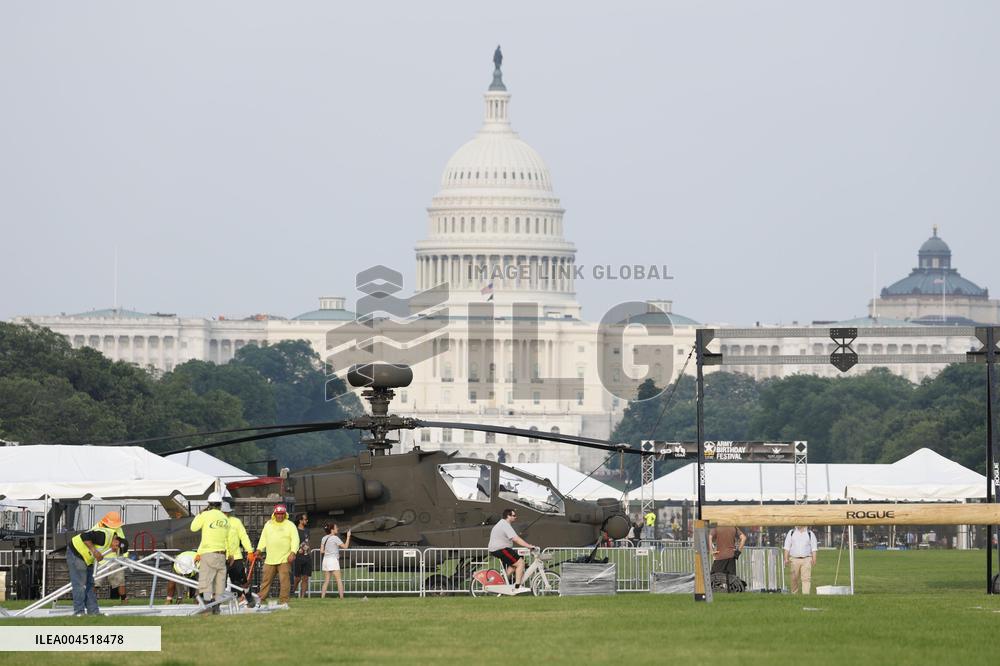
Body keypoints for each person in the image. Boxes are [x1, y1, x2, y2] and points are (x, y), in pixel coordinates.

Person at [67, 513, 126, 617]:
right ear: (116, 540)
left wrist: (98, 554)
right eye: (117, 546)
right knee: (80, 585)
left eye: (118, 550)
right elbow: (84, 536)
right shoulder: (104, 535)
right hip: (75, 553)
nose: (115, 549)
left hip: (87, 558)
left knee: (90, 584)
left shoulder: (111, 543)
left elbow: (101, 552)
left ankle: (93, 612)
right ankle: (79, 612)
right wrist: (94, 551)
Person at [190, 491, 230, 612]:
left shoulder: (205, 515)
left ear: (209, 504)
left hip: (208, 553)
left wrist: (200, 514)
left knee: (206, 582)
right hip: (222, 554)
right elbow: (227, 538)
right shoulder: (224, 518)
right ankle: (216, 607)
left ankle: (207, 605)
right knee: (219, 582)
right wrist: (229, 553)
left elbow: (193, 528)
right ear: (220, 504)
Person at [255, 504, 299, 604]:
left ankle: (284, 601)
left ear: (285, 514)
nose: (280, 516)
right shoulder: (268, 524)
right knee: (266, 580)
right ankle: (261, 599)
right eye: (278, 514)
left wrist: (293, 552)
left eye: (282, 514)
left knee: (284, 581)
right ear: (274, 514)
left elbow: (295, 539)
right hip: (270, 558)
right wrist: (259, 549)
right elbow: (263, 538)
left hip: (285, 558)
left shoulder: (290, 525)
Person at [487, 508, 536, 590]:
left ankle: (502, 581)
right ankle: (517, 587)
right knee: (521, 563)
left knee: (514, 565)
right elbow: (516, 538)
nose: (515, 517)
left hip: (497, 549)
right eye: (513, 516)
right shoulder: (505, 524)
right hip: (501, 549)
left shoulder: (502, 524)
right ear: (508, 516)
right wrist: (528, 546)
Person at [222, 499, 253, 604]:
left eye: (226, 512)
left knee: (241, 580)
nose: (225, 514)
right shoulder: (216, 523)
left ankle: (247, 598)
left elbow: (243, 536)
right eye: (223, 512)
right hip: (221, 556)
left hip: (236, 556)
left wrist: (249, 551)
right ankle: (218, 602)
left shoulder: (236, 521)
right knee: (220, 582)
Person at [94, 512, 128, 605]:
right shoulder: (97, 528)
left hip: (114, 560)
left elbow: (123, 543)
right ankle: (88, 600)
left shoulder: (118, 529)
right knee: (95, 582)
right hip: (100, 561)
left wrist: (123, 554)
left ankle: (124, 601)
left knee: (120, 582)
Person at [783, 525, 819, 594]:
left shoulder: (810, 533)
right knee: (794, 578)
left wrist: (814, 558)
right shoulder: (791, 532)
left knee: (806, 579)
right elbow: (787, 547)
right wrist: (786, 558)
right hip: (794, 559)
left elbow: (814, 547)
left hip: (807, 559)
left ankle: (805, 595)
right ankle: (794, 593)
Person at [320, 523, 351, 599]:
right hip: (333, 560)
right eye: (336, 528)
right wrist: (348, 536)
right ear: (332, 530)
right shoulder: (335, 538)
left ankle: (322, 597)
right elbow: (345, 547)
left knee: (326, 580)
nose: (338, 529)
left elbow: (321, 551)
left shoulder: (324, 538)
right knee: (338, 579)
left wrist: (329, 551)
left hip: (326, 560)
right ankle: (341, 597)